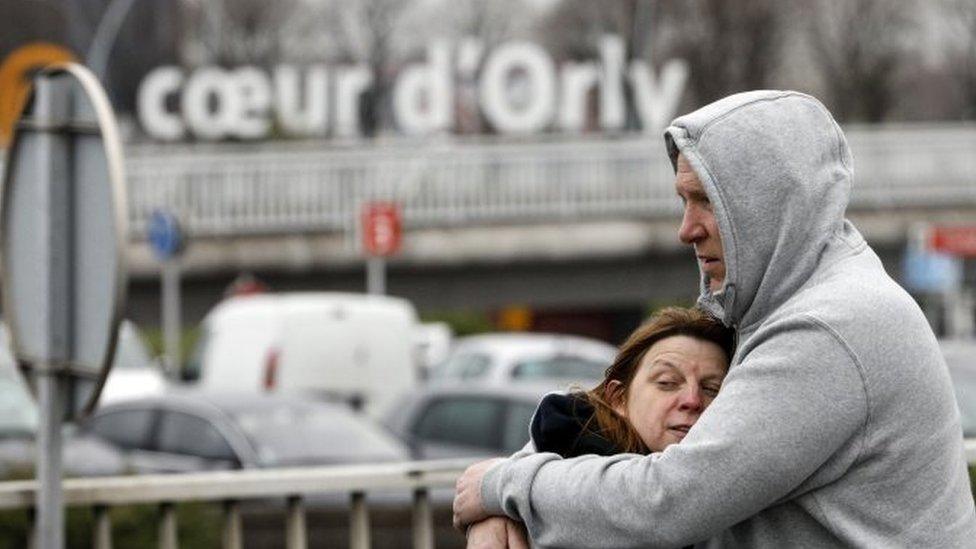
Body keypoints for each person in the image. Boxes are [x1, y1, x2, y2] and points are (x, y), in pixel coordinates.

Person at [454, 90, 976, 547]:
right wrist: (505, 499)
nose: (686, 229)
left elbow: (666, 503)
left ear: (769, 205)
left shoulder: (830, 329)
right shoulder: (778, 298)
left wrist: (502, 488)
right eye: (684, 200)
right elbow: (597, 414)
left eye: (706, 201)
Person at [468, 307, 734, 548]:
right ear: (619, 398)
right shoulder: (560, 443)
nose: (692, 400)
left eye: (712, 389)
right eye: (667, 382)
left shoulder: (738, 480)